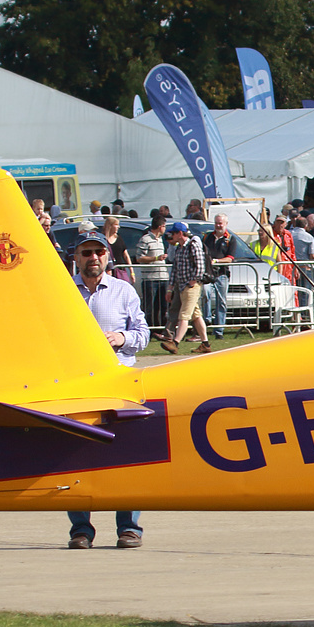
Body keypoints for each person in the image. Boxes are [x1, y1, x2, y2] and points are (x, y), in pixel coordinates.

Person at [66, 231, 150, 549]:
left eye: (99, 252)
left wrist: (122, 339)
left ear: (108, 256)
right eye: (86, 252)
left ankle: (129, 528)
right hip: (76, 386)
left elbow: (142, 333)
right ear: (76, 257)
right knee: (74, 458)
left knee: (127, 459)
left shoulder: (123, 291)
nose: (93, 258)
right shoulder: (62, 292)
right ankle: (81, 530)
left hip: (119, 385)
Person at [161, 222, 211, 354]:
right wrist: (170, 288)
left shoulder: (192, 245)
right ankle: (205, 344)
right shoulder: (179, 248)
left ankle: (175, 342)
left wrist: (192, 282)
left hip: (191, 287)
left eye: (174, 233)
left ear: (180, 233)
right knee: (196, 315)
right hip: (182, 286)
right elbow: (175, 270)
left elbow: (200, 266)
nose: (172, 235)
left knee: (184, 315)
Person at [201, 214, 237, 339]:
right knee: (205, 294)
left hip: (222, 274)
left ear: (226, 224)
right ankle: (207, 320)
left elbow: (230, 258)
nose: (218, 225)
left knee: (221, 302)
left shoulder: (230, 239)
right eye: (216, 223)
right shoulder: (207, 237)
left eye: (220, 223)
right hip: (208, 273)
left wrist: (216, 261)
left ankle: (219, 331)